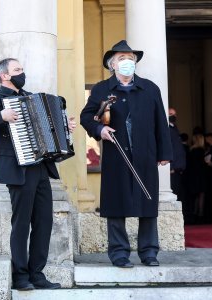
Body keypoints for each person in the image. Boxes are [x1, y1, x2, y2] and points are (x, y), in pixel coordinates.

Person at [0, 58, 76, 290]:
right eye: (17, 70)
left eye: (22, 69)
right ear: (4, 76)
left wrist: (64, 126)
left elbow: (48, 127)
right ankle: (20, 277)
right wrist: (1, 117)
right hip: (18, 171)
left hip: (41, 168)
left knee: (44, 222)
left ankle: (37, 275)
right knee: (21, 224)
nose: (22, 73)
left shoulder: (31, 98)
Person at [80, 40, 172, 268]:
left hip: (145, 154)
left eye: (130, 58)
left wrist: (164, 152)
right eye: (122, 59)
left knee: (148, 205)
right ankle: (119, 254)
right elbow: (86, 116)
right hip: (116, 156)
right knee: (116, 204)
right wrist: (100, 129)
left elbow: (161, 121)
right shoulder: (102, 89)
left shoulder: (150, 88)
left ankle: (149, 252)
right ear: (112, 65)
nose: (127, 62)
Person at [185, 134, 206, 224]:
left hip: (193, 175)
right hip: (201, 175)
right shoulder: (201, 150)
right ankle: (200, 215)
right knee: (201, 195)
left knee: (195, 196)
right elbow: (202, 164)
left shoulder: (191, 150)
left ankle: (194, 214)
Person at [168, 108, 186, 201]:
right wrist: (170, 167)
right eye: (171, 114)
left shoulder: (175, 128)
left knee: (178, 193)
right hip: (172, 169)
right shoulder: (167, 129)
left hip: (178, 168)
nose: (173, 116)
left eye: (175, 114)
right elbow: (167, 148)